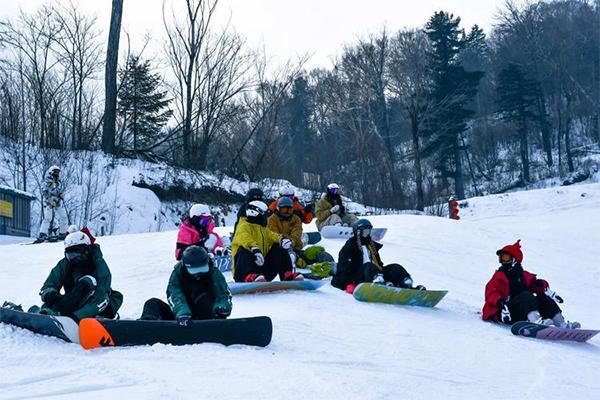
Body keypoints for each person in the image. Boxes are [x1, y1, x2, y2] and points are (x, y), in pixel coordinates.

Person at [482, 240, 580, 328]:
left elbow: (536, 285)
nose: (503, 261)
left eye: (506, 257)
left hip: (523, 309)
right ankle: (535, 322)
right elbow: (490, 292)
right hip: (506, 312)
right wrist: (500, 302)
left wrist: (542, 286)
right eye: (501, 258)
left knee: (543, 298)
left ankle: (561, 323)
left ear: (515, 259)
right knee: (526, 295)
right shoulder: (499, 276)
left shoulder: (523, 275)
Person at [36, 231, 123, 322]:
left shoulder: (98, 264)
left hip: (97, 304)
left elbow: (101, 296)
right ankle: (44, 313)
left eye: (78, 255)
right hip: (71, 302)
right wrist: (50, 294)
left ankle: (61, 314)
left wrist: (75, 317)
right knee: (52, 300)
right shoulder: (65, 264)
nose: (75, 259)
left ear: (87, 251)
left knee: (88, 281)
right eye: (71, 256)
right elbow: (49, 285)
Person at [140, 246, 232, 324]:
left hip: (207, 317)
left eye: (202, 269)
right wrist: (182, 312)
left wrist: (222, 307)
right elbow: (174, 294)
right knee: (152, 303)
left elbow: (223, 293)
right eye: (194, 271)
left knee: (204, 299)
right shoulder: (178, 274)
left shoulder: (214, 273)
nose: (198, 274)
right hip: (182, 316)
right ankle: (146, 327)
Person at [332, 219, 425, 294]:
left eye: (369, 231)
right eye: (365, 232)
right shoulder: (350, 246)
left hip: (375, 273)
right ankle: (379, 283)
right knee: (368, 266)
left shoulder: (371, 245)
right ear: (358, 232)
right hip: (358, 277)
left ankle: (405, 283)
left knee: (395, 267)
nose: (367, 234)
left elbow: (379, 264)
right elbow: (343, 267)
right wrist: (347, 283)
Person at [232, 200, 302, 282]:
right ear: (254, 213)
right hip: (242, 274)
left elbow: (272, 235)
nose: (266, 218)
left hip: (262, 273)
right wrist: (254, 249)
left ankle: (287, 275)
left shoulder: (263, 229)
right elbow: (244, 238)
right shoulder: (243, 227)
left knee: (278, 247)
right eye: (264, 215)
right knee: (244, 249)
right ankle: (247, 276)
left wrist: (282, 239)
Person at [267, 196, 334, 275]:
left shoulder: (296, 219)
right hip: (279, 250)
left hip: (295, 248)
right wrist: (285, 241)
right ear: (278, 208)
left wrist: (292, 242)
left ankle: (330, 265)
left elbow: (297, 232)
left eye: (290, 209)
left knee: (314, 252)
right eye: (284, 209)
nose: (287, 212)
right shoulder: (272, 219)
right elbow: (274, 234)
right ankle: (290, 266)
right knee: (288, 256)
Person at [38, 165, 68, 240]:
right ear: (51, 172)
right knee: (48, 217)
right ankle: (43, 233)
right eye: (55, 172)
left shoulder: (58, 182)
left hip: (57, 202)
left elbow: (59, 190)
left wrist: (61, 195)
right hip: (49, 202)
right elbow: (44, 190)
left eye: (58, 172)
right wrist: (48, 198)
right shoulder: (47, 181)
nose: (57, 174)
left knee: (63, 216)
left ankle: (62, 233)